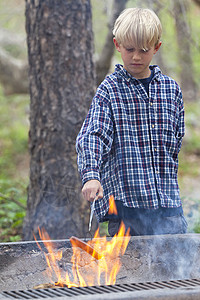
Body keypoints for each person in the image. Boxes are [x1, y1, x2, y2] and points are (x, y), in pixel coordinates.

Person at [76, 8, 188, 236]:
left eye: (144, 50)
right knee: (127, 271)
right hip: (127, 213)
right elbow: (93, 135)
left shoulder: (171, 90)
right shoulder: (110, 90)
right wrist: (91, 175)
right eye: (129, 49)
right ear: (117, 45)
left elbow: (175, 143)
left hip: (168, 212)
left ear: (156, 47)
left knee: (179, 270)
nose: (136, 57)